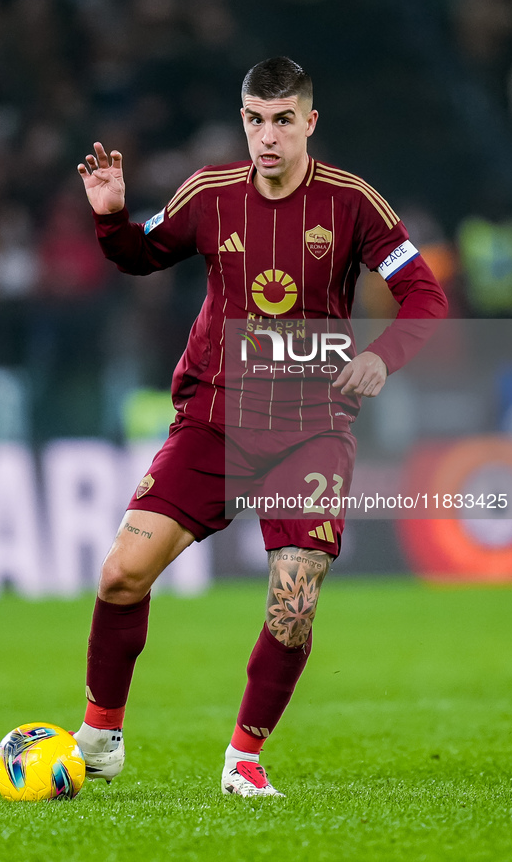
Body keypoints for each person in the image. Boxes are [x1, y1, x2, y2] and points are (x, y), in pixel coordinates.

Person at [73, 57, 448, 797]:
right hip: (214, 418)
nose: (266, 137)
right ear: (242, 120)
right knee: (120, 575)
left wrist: (380, 358)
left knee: (292, 600)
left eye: (281, 120)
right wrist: (111, 218)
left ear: (309, 122)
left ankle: (242, 756)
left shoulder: (352, 203)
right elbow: (142, 256)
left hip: (310, 427)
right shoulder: (209, 194)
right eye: (254, 119)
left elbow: (424, 296)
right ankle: (100, 733)